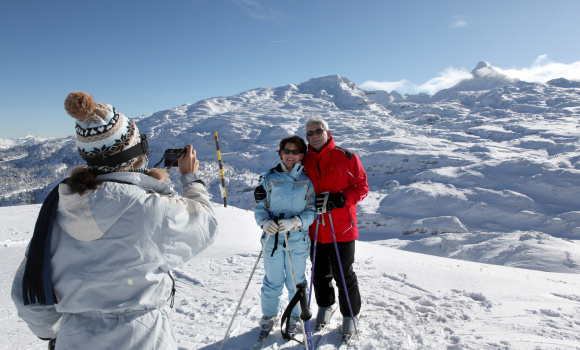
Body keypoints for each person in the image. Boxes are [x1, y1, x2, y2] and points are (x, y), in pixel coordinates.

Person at [11, 91, 218, 350]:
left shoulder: (57, 209)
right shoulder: (153, 209)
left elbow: (26, 296)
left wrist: (56, 334)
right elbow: (205, 225)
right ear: (136, 151)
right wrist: (191, 179)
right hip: (145, 339)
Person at [302, 117, 369, 336]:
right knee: (319, 273)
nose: (313, 136)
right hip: (315, 229)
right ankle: (325, 306)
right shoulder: (305, 160)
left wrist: (340, 199)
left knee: (343, 273)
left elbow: (362, 187)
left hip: (341, 228)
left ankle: (350, 314)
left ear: (328, 132)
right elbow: (286, 172)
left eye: (317, 131)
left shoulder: (347, 157)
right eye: (309, 133)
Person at [254, 135, 316, 337]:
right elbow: (260, 207)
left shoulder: (307, 180)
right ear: (280, 153)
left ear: (301, 155)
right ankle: (269, 316)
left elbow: (311, 210)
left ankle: (296, 316)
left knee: (296, 281)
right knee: (272, 280)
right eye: (286, 151)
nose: (290, 155)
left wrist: (296, 222)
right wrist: (264, 222)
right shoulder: (270, 177)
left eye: (295, 152)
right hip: (272, 239)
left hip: (296, 238)